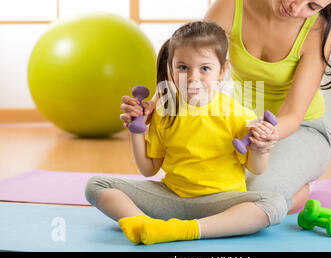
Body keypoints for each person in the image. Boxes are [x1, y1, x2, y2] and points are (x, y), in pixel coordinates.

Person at [123, 0, 331, 215]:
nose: (297, 8)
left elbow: (293, 114)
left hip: (299, 131)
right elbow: (190, 56)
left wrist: (265, 136)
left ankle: (300, 191)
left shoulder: (317, 32)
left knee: (251, 195)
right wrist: (153, 104)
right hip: (239, 126)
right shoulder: (232, 3)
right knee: (217, 189)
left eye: (313, 6)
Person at [85, 21, 288, 245]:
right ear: (171, 68)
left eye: (205, 68)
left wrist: (261, 148)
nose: (193, 78)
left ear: (222, 70)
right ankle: (144, 225)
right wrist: (136, 130)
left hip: (221, 203)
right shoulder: (164, 112)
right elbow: (148, 170)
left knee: (275, 205)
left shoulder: (239, 115)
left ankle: (183, 230)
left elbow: (256, 169)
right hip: (171, 198)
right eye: (183, 67)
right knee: (96, 185)